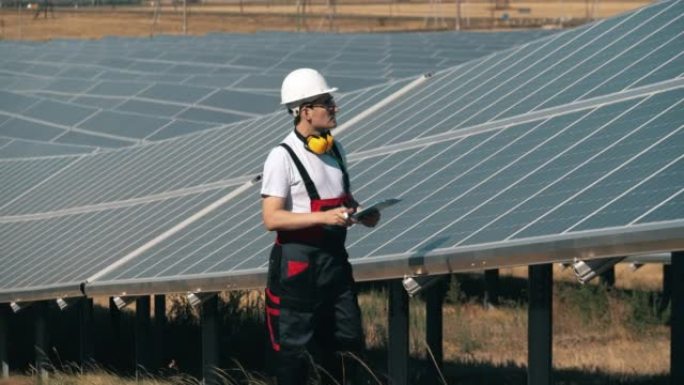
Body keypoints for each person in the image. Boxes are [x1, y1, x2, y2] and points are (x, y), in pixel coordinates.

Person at [261, 68, 380, 385]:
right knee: (295, 356)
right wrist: (322, 218)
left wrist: (361, 213)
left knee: (347, 344)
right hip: (298, 266)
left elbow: (344, 198)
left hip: (335, 262)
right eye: (327, 102)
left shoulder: (335, 150)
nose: (334, 108)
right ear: (304, 111)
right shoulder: (281, 156)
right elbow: (271, 217)